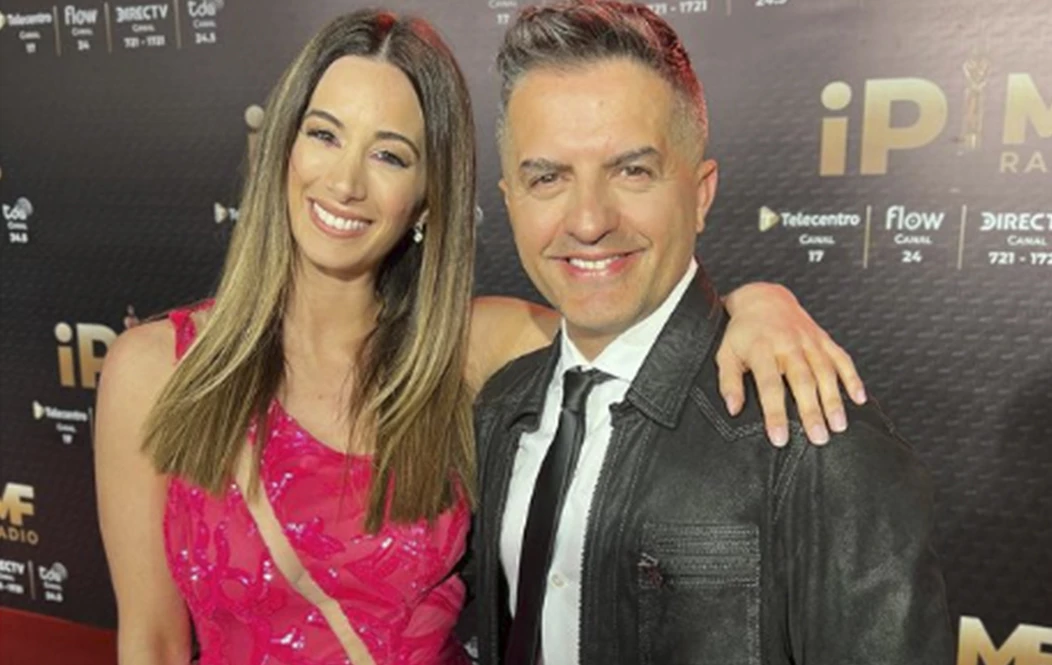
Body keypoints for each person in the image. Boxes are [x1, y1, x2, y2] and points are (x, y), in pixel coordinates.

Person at [95, 9, 867, 665]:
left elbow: (645, 322)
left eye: (390, 154)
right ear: (282, 151)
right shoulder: (157, 369)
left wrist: (757, 304)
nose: (346, 182)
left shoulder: (465, 350)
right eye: (324, 135)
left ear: (428, 195)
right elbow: (152, 641)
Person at [468, 2, 954, 664]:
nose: (588, 220)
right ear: (510, 201)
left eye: (631, 171)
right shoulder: (499, 410)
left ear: (700, 193)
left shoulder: (812, 436)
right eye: (548, 178)